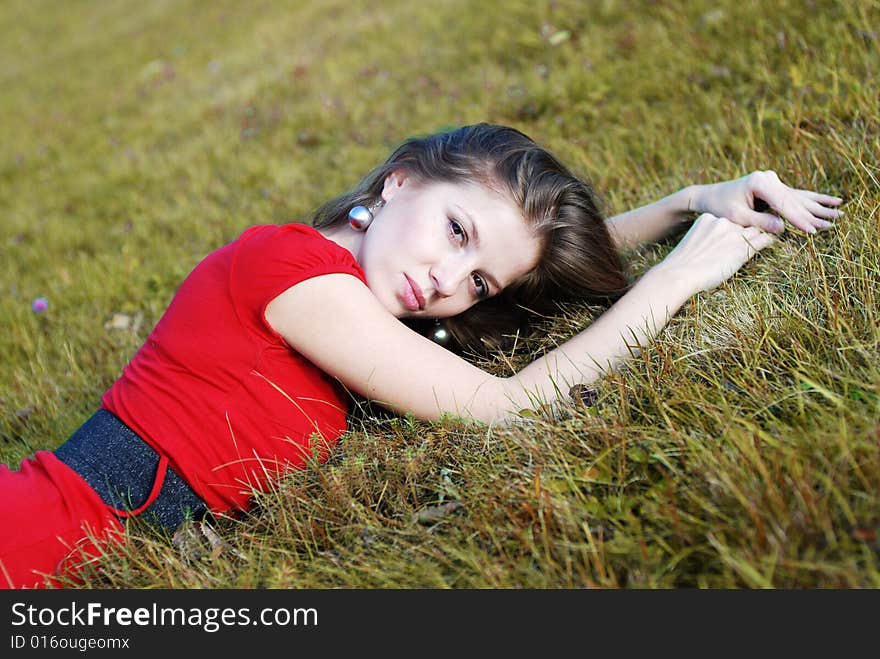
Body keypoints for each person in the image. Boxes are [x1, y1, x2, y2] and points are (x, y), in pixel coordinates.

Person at [0, 124, 842, 589]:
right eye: (455, 229)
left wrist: (691, 201)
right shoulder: (288, 268)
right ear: (399, 182)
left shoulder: (363, 291)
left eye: (475, 276)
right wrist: (682, 278)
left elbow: (527, 285)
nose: (448, 279)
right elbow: (509, 410)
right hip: (37, 535)